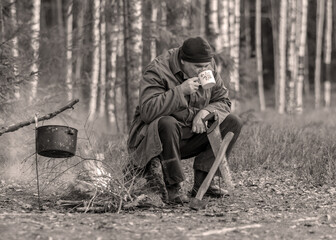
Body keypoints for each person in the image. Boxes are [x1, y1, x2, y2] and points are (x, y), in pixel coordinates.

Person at [127, 36, 242, 204]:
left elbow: (223, 101)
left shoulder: (207, 66)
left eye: (205, 66)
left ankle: (204, 184)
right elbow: (147, 111)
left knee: (232, 122)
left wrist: (206, 112)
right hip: (158, 140)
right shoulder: (158, 70)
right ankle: (173, 188)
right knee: (167, 123)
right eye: (197, 67)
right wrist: (180, 91)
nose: (202, 70)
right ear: (182, 61)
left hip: (191, 133)